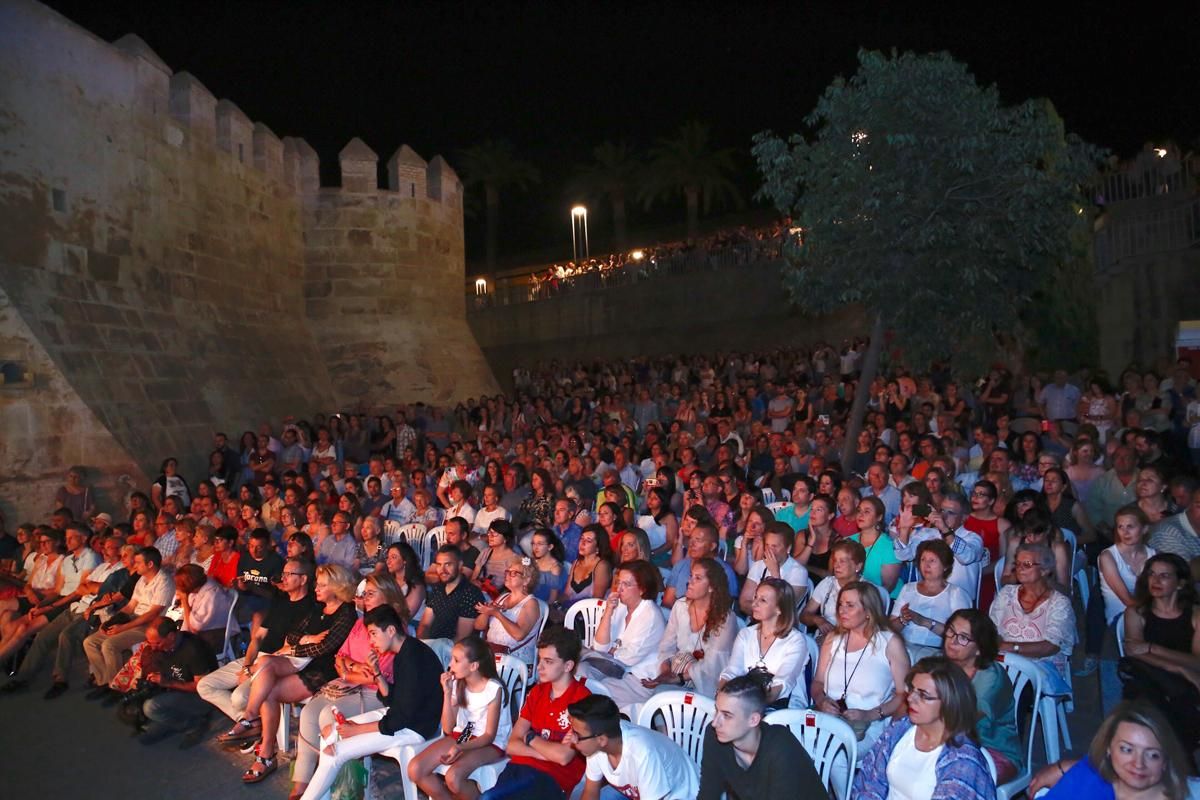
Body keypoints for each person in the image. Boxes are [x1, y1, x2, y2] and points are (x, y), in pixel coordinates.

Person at [221, 563, 358, 784]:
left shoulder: (347, 612)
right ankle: (251, 721)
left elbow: (326, 648)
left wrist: (295, 646)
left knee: (268, 689)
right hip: (299, 660)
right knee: (266, 663)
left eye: (322, 585)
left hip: (323, 668)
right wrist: (304, 640)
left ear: (337, 587)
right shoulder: (317, 607)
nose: (316, 588)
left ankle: (263, 751)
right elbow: (292, 634)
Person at [298, 605, 444, 800]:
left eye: (374, 634)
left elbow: (399, 719)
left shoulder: (412, 658)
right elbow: (392, 699)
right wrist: (377, 672)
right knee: (330, 733)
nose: (371, 641)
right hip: (399, 716)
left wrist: (356, 730)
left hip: (415, 728)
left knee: (337, 751)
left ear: (391, 630)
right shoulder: (404, 651)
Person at [288, 572, 409, 799]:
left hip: (376, 694)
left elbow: (378, 675)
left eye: (371, 594)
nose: (364, 598)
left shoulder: (394, 627)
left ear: (389, 595)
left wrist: (347, 671)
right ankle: (301, 786)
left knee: (328, 717)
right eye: (364, 594)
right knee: (308, 713)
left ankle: (341, 789)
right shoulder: (362, 622)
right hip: (348, 685)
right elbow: (340, 656)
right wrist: (351, 668)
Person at [851, 656, 995, 800]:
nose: (910, 698)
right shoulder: (901, 729)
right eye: (912, 690)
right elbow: (872, 783)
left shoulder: (964, 762)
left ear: (949, 702)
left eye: (923, 695)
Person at [481, 627, 592, 800]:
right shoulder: (537, 692)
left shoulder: (582, 699)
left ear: (568, 666)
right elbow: (511, 745)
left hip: (553, 777)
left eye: (548, 661)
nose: (539, 667)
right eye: (540, 659)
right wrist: (546, 753)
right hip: (519, 767)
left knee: (488, 798)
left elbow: (563, 757)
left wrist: (531, 738)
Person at [407, 636, 512, 800]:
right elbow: (448, 728)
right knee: (415, 769)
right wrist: (447, 693)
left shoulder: (493, 689)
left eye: (456, 660)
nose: (450, 665)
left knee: (453, 778)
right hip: (464, 735)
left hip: (491, 742)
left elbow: (489, 735)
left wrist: (460, 748)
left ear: (474, 666)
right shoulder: (458, 682)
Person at [811, 580, 910, 751]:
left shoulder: (889, 643)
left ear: (868, 612)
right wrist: (821, 700)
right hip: (829, 718)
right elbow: (818, 682)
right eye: (840, 604)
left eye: (850, 605)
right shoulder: (832, 639)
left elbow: (904, 695)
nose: (842, 610)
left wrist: (870, 714)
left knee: (834, 755)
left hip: (870, 724)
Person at [1119, 552, 1200, 759]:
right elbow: (1133, 652)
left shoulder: (1195, 615)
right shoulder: (1136, 612)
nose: (1156, 581)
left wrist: (1152, 648)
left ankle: (1173, 757)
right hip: (1154, 676)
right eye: (1152, 575)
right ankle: (1183, 761)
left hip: (1183, 681)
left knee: (1161, 698)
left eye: (1164, 576)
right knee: (1143, 679)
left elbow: (1197, 662)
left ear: (1180, 583)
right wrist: (1179, 667)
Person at [697, 675, 829, 800]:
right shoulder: (715, 735)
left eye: (727, 715)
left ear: (753, 719)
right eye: (717, 711)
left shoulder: (780, 747)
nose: (715, 722)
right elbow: (708, 793)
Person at [1033, 700, 1191, 800]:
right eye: (1127, 749)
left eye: (1152, 755)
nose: (1139, 764)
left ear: (1165, 761)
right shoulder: (1087, 779)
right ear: (1108, 748)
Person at [563, 694, 700, 800]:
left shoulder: (643, 753)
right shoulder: (597, 743)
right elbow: (591, 792)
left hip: (683, 795)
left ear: (602, 740)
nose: (572, 738)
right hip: (640, 792)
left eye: (577, 734)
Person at [942, 609, 1023, 783]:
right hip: (949, 741)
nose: (952, 641)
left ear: (979, 648)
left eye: (963, 637)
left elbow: (965, 719)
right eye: (951, 631)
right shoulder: (941, 664)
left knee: (951, 777)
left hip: (992, 749)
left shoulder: (991, 678)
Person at [82, 546, 174, 694]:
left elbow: (152, 614)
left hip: (149, 625)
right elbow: (131, 606)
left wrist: (123, 628)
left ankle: (116, 688)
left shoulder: (164, 581)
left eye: (138, 562)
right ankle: (105, 681)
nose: (134, 565)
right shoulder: (142, 579)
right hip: (133, 619)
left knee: (109, 645)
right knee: (90, 642)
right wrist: (112, 622)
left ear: (150, 564)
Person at [989, 541, 1076, 696]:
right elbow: (990, 629)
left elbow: (1050, 646)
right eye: (1017, 564)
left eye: (1027, 564)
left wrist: (1010, 648)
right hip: (1003, 662)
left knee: (1012, 686)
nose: (1019, 569)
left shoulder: (1059, 603)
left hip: (1041, 667)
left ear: (1044, 570)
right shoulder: (1006, 593)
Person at [579, 560, 667, 701]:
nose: (619, 589)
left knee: (591, 690)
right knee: (578, 672)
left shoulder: (650, 616)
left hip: (637, 680)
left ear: (642, 589)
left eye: (626, 584)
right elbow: (600, 646)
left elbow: (628, 659)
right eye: (618, 582)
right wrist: (608, 612)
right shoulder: (619, 605)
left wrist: (609, 651)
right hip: (611, 667)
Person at [130, 616, 220, 746]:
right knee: (141, 699)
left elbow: (202, 687)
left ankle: (194, 724)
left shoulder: (193, 649)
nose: (154, 647)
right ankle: (175, 721)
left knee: (151, 708)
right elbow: (156, 667)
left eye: (157, 643)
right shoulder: (162, 648)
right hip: (176, 689)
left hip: (202, 697)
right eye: (151, 643)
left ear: (171, 636)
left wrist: (167, 683)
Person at [720, 578, 808, 707]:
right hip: (745, 702)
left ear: (779, 609)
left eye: (763, 600)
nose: (754, 604)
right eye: (755, 597)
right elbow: (732, 671)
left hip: (782, 706)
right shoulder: (746, 634)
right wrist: (723, 694)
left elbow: (782, 683)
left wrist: (749, 707)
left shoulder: (795, 641)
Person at [890, 539, 972, 661]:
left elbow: (961, 636)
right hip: (904, 648)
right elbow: (890, 628)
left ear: (945, 566)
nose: (926, 565)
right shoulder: (908, 588)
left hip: (936, 653)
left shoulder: (956, 594)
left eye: (932, 561)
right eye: (923, 560)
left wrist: (924, 621)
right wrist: (903, 619)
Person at [475, 556, 541, 666]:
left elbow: (519, 635)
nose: (507, 575)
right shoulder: (503, 597)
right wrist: (487, 613)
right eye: (507, 571)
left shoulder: (531, 604)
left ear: (526, 580)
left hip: (515, 661)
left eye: (514, 573)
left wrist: (497, 614)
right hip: (493, 655)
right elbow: (478, 626)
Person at [738, 521, 810, 615]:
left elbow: (786, 608)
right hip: (755, 621)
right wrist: (765, 613)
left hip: (784, 626)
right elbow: (744, 602)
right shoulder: (758, 566)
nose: (770, 550)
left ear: (788, 548)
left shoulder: (799, 572)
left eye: (774, 546)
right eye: (767, 545)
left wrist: (775, 572)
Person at [662, 521, 738, 609]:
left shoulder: (725, 572)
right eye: (691, 538)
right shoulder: (680, 566)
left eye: (698, 540)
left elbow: (724, 610)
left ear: (712, 546)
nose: (691, 544)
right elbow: (667, 604)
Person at [801, 539, 868, 637]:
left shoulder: (867, 590)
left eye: (842, 561)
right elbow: (804, 615)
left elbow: (871, 624)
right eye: (835, 560)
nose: (836, 565)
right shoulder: (827, 583)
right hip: (824, 638)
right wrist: (818, 620)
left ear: (857, 566)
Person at [418, 546, 485, 643]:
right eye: (439, 565)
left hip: (452, 651)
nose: (442, 570)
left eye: (448, 564)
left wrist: (433, 649)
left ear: (460, 565)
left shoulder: (470, 593)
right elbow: (425, 624)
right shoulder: (438, 588)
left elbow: (462, 638)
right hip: (431, 644)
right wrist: (422, 643)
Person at [848, 496, 903, 598]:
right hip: (853, 597)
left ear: (879, 517)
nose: (861, 514)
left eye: (867, 511)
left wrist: (865, 602)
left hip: (884, 599)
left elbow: (888, 586)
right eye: (859, 510)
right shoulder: (847, 541)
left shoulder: (889, 546)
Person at [560, 525, 614, 606]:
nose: (582, 543)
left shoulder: (602, 566)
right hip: (571, 610)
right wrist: (556, 602)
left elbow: (597, 599)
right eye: (582, 538)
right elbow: (567, 594)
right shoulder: (576, 562)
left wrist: (572, 606)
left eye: (588, 540)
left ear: (597, 547)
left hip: (589, 614)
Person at [472, 520, 520, 599]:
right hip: (479, 592)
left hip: (499, 598)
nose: (490, 536)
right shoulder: (485, 552)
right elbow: (473, 577)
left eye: (494, 534)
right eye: (489, 532)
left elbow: (513, 588)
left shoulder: (514, 559)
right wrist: (475, 582)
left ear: (505, 538)